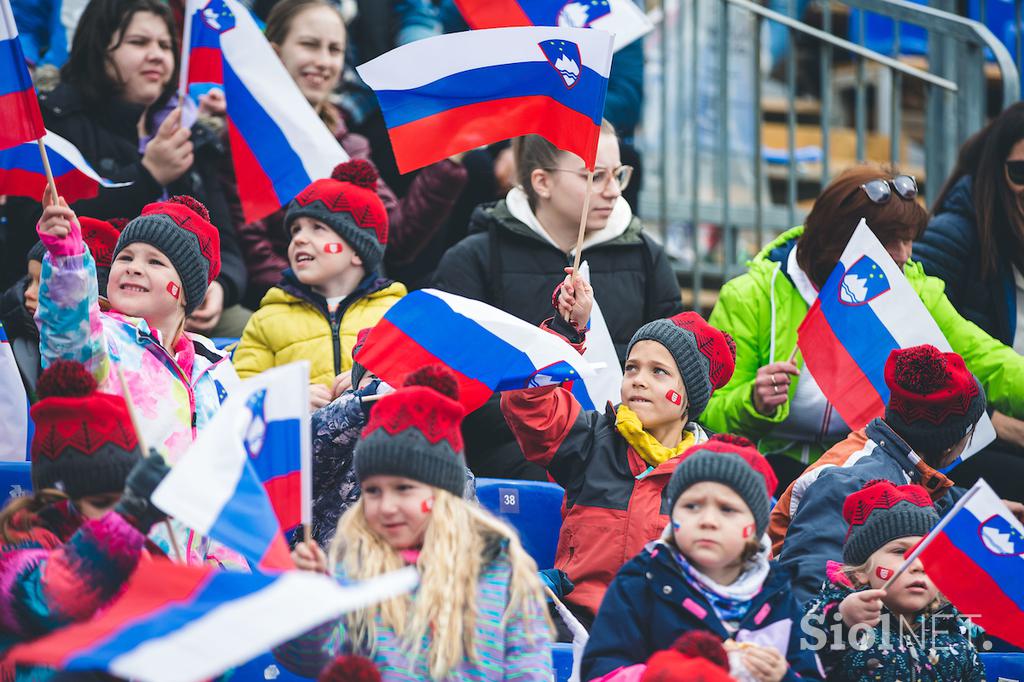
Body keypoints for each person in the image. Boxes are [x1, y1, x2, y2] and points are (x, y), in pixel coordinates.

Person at [704, 164, 1024, 494]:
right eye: (889, 242)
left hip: (871, 471)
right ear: (837, 239)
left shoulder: (909, 287)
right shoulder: (750, 297)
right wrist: (753, 403)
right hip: (765, 475)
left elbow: (988, 360)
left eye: (909, 240)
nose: (904, 255)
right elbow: (707, 414)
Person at [435, 123, 683, 479]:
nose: (613, 191)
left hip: (630, 469)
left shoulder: (647, 256)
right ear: (542, 182)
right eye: (595, 176)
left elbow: (678, 368)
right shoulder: (475, 258)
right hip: (510, 469)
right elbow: (458, 381)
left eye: (619, 175)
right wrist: (545, 425)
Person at [274, 366, 553, 680]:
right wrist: (307, 600)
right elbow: (308, 660)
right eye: (373, 491)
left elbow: (529, 669)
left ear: (444, 493)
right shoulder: (353, 569)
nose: (387, 506)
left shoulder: (501, 572)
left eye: (404, 489)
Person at [34, 190, 244, 567]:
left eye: (155, 261)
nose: (132, 267)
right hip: (111, 560)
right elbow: (65, 332)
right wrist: (67, 260)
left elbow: (232, 479)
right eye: (125, 257)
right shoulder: (100, 339)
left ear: (186, 292)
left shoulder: (217, 368)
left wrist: (225, 564)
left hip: (194, 573)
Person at [501, 307, 735, 629]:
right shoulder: (589, 440)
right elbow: (526, 400)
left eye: (658, 372)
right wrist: (566, 332)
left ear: (689, 397)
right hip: (578, 625)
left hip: (665, 641)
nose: (639, 380)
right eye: (632, 368)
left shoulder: (714, 477)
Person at [30, 0, 247, 336]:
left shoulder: (189, 131)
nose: (157, 55)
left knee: (250, 328)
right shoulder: (57, 124)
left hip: (183, 308)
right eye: (138, 43)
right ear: (99, 48)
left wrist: (220, 287)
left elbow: (229, 246)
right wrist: (147, 176)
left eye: (164, 45)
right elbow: (43, 228)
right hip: (94, 307)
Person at [236, 0, 467, 309]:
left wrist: (449, 162)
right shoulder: (244, 138)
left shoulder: (350, 146)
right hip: (281, 307)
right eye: (309, 45)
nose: (322, 61)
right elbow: (256, 255)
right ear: (275, 53)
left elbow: (393, 240)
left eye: (334, 50)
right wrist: (321, 298)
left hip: (347, 306)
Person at [778, 345, 1023, 603]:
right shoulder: (848, 485)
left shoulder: (900, 457)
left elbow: (925, 499)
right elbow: (805, 596)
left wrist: (983, 510)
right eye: (971, 431)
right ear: (950, 443)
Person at [581, 435, 823, 682]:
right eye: (692, 506)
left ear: (755, 528)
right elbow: (601, 671)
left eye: (727, 509)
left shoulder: (778, 596)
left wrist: (783, 677)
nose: (707, 520)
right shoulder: (640, 581)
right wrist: (670, 675)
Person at [0, 360, 170, 678]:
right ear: (58, 499)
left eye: (125, 500)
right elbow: (52, 599)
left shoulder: (138, 550)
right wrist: (130, 516)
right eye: (103, 503)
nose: (115, 514)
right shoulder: (15, 547)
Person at [233, 161, 406, 409]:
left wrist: (376, 383)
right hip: (300, 443)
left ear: (357, 251)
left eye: (318, 228)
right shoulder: (268, 318)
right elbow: (240, 392)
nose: (299, 239)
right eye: (295, 230)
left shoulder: (395, 313)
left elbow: (417, 378)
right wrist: (290, 398)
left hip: (375, 443)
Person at [915, 102, 1024, 471]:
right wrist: (996, 422)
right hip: (955, 442)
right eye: (1020, 171)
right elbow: (912, 359)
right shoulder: (953, 236)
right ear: (994, 173)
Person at [308, 329, 477, 549]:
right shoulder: (336, 439)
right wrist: (363, 403)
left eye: (401, 377)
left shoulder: (442, 456)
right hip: (336, 566)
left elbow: (460, 535)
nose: (388, 386)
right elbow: (308, 451)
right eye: (374, 377)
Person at [802, 480, 985, 681]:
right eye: (900, 552)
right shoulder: (844, 621)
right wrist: (841, 617)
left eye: (929, 555)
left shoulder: (958, 642)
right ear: (861, 571)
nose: (919, 565)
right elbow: (796, 648)